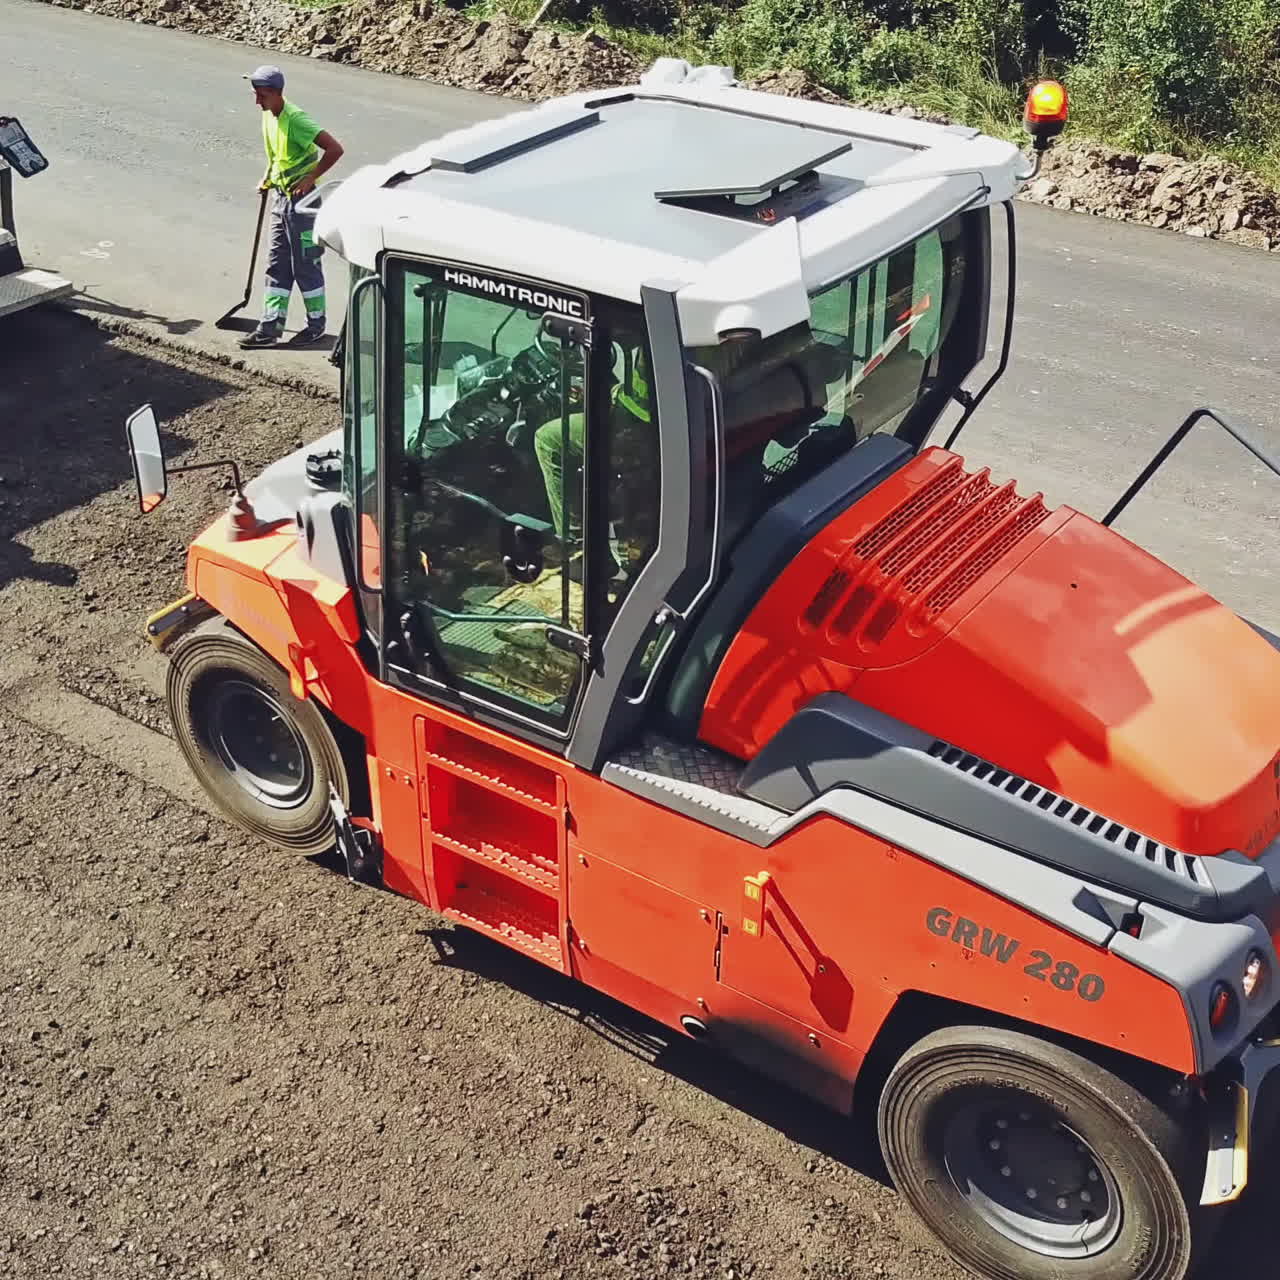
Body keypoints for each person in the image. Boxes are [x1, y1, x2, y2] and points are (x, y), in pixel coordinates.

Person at [238, 65, 345, 350]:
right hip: (281, 200)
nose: (257, 101)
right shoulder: (268, 117)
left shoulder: (297, 119)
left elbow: (335, 149)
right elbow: (275, 157)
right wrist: (267, 178)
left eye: (261, 95)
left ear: (275, 93)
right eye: (255, 94)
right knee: (276, 264)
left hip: (304, 205)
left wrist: (310, 179)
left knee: (306, 264)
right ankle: (270, 326)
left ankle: (316, 326)